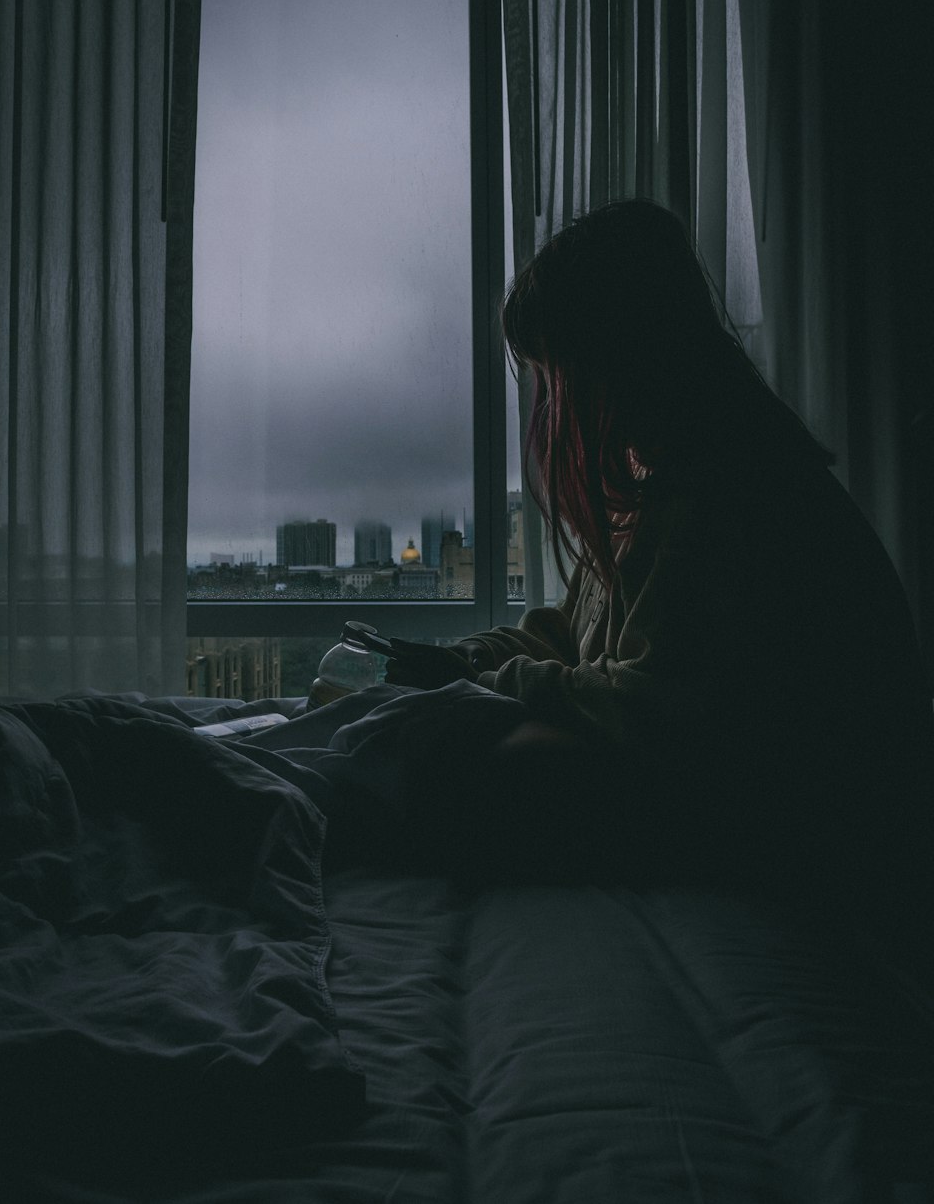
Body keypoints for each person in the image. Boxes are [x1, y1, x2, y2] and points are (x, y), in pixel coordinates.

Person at [385, 199, 933, 944]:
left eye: (557, 374)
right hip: (741, 788)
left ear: (614, 359)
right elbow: (569, 637)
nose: (552, 406)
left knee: (483, 775)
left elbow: (647, 703)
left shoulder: (733, 496)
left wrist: (484, 685)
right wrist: (460, 662)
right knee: (463, 754)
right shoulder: (670, 483)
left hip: (810, 829)